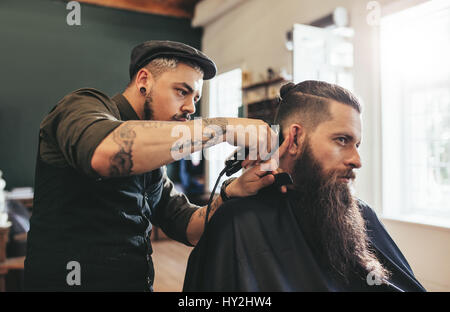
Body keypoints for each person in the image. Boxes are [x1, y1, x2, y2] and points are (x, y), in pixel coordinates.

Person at [24, 40, 280, 291]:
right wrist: (224, 128)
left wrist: (231, 191)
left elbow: (188, 226)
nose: (191, 107)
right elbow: (105, 152)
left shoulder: (154, 165)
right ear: (144, 80)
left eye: (196, 97)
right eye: (182, 91)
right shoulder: (81, 105)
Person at [183, 80, 426, 292]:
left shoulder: (363, 216)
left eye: (357, 145)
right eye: (342, 140)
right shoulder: (237, 222)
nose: (357, 160)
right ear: (296, 138)